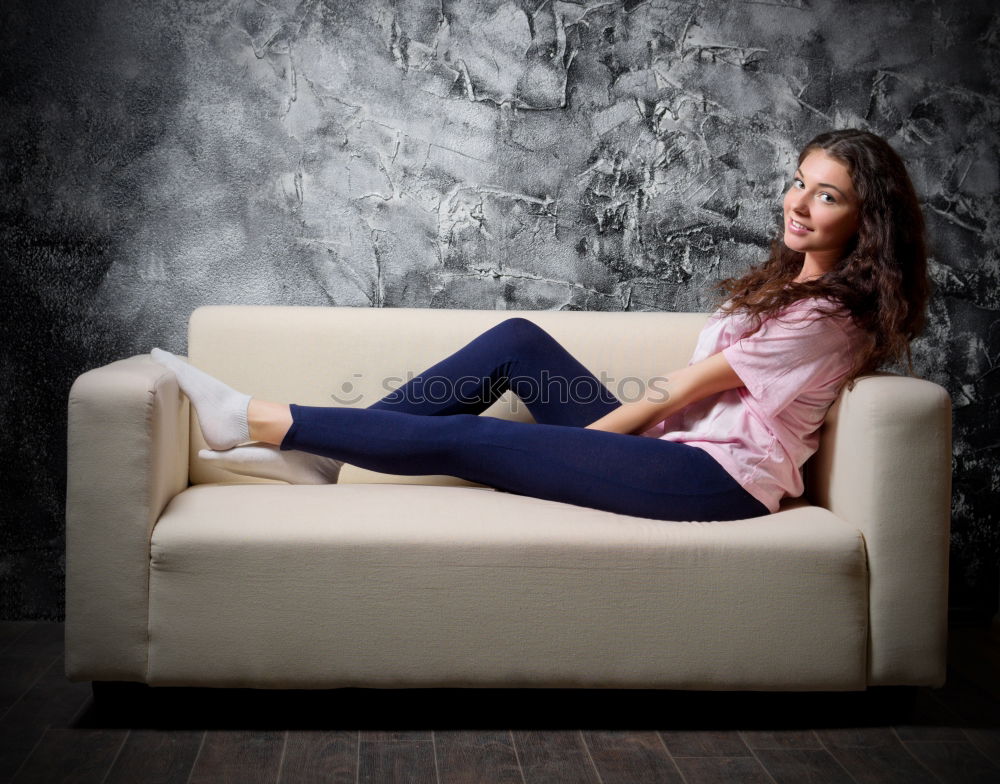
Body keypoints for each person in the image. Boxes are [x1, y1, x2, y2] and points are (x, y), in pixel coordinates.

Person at [150, 128, 929, 523]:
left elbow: (671, 393)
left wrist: (576, 451)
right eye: (799, 182)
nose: (797, 203)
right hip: (673, 445)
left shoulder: (831, 317)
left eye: (827, 195)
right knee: (519, 342)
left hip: (717, 478)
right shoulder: (786, 285)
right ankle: (326, 452)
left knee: (483, 440)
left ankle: (249, 418)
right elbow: (672, 409)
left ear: (868, 218)